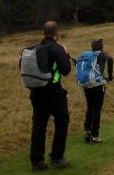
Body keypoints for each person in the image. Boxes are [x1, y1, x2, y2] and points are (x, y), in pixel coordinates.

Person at [25, 21, 72, 171]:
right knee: (62, 120)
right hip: (54, 91)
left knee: (39, 125)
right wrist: (66, 54)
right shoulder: (57, 48)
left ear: (43, 33)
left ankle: (36, 161)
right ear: (57, 34)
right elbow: (65, 70)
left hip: (36, 92)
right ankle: (57, 157)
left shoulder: (34, 49)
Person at [82, 38, 113, 144]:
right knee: (96, 109)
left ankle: (87, 130)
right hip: (98, 84)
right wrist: (110, 75)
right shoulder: (102, 54)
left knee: (89, 107)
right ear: (101, 46)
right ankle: (94, 135)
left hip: (86, 84)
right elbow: (111, 59)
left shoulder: (87, 54)